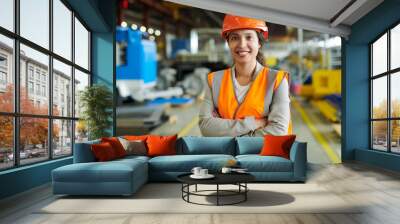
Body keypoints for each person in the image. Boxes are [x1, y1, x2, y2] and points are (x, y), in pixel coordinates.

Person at [199, 14, 292, 137]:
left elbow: (278, 131)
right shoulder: (214, 80)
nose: (242, 44)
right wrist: (253, 123)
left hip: (265, 155)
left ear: (259, 43)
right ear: (228, 43)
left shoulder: (276, 81)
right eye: (234, 38)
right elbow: (206, 127)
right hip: (225, 156)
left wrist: (229, 133)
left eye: (249, 37)